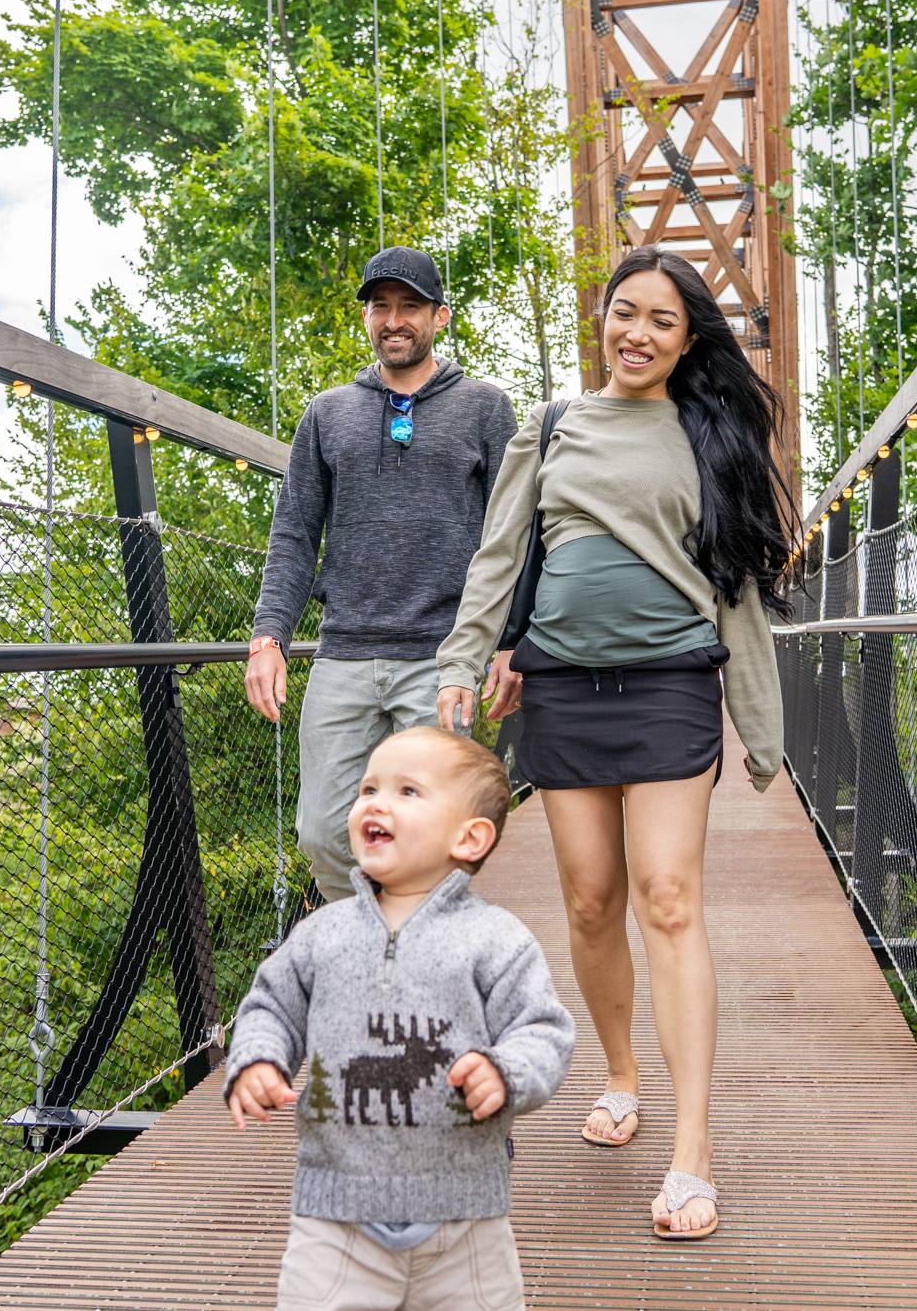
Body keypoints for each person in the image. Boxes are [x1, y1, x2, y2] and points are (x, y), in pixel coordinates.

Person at [436, 246, 800, 1240]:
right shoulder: (549, 428)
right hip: (561, 689)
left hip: (670, 688)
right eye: (625, 313)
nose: (638, 334)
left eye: (665, 322)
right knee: (591, 901)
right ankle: (622, 1075)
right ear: (602, 317)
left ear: (689, 343)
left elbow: (738, 590)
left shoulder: (707, 433)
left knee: (668, 899)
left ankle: (694, 1150)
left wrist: (762, 727)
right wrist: (463, 662)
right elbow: (499, 555)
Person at [225, 727, 575, 1310]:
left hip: (466, 1222)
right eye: (368, 788)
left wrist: (505, 1070)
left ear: (470, 838)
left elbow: (542, 1030)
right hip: (336, 1217)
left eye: (407, 791)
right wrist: (257, 1057)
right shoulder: (321, 934)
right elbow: (272, 1006)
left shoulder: (497, 940)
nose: (375, 802)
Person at [245, 246, 521, 902]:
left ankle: (421, 965)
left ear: (439, 316)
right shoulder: (327, 413)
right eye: (380, 306)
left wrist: (510, 641)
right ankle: (371, 940)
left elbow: (512, 534)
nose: (393, 319)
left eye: (409, 306)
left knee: (430, 831)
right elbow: (292, 534)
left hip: (441, 658)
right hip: (342, 653)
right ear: (367, 317)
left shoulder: (485, 408)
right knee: (320, 831)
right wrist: (268, 635)